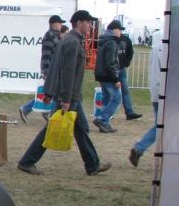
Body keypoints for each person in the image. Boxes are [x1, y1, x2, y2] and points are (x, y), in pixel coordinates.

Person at [17, 9, 111, 176]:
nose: (90, 25)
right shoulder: (72, 42)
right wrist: (65, 98)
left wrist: (48, 92)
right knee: (52, 129)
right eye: (88, 22)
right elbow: (66, 72)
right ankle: (27, 161)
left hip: (70, 95)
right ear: (79, 22)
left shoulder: (68, 40)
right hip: (68, 96)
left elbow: (55, 67)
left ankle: (92, 165)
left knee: (81, 129)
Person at [19, 15, 65, 123]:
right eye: (59, 23)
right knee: (53, 92)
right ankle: (28, 109)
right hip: (51, 70)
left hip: (54, 70)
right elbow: (47, 55)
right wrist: (46, 71)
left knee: (50, 93)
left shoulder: (56, 36)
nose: (61, 25)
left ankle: (36, 110)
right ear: (53, 24)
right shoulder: (50, 36)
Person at [130, 39, 165, 167]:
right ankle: (139, 148)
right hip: (165, 92)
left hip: (156, 92)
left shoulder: (155, 48)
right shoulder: (166, 49)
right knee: (161, 126)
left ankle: (139, 148)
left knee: (159, 125)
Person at [93, 20, 123, 133]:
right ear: (115, 29)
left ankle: (105, 123)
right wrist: (116, 79)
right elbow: (111, 62)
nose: (120, 32)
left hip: (101, 74)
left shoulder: (103, 41)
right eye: (120, 30)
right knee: (117, 99)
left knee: (106, 99)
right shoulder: (112, 42)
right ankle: (102, 119)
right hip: (109, 75)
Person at [117, 27, 142, 120]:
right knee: (109, 92)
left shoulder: (126, 40)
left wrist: (126, 63)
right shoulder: (110, 40)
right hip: (111, 70)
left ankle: (129, 112)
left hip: (121, 69)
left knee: (125, 91)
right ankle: (105, 113)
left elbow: (130, 52)